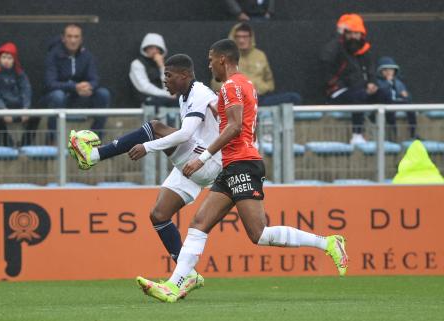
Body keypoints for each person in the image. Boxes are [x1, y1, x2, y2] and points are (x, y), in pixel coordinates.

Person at [136, 39, 349, 303]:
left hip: (241, 164)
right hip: (235, 164)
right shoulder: (247, 85)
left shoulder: (230, 87)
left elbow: (235, 126)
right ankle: (174, 285)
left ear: (222, 60)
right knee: (199, 224)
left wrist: (203, 158)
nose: (209, 64)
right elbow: (249, 128)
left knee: (258, 233)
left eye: (211, 59)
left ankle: (327, 243)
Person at [68, 54, 222, 296]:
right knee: (159, 215)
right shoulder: (186, 95)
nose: (164, 81)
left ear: (184, 76)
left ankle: (93, 156)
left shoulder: (200, 93)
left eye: (169, 76)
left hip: (208, 160)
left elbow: (184, 135)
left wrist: (147, 147)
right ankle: (187, 274)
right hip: (197, 161)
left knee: (155, 128)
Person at [320, 14, 390, 145]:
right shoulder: (335, 48)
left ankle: (379, 129)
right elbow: (326, 63)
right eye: (350, 33)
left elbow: (371, 71)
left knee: (385, 94)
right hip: (337, 92)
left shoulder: (364, 50)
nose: (353, 37)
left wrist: (372, 83)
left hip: (360, 90)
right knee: (359, 95)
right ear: (344, 34)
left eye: (356, 33)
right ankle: (357, 135)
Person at [44, 24, 110, 144]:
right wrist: (74, 87)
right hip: (59, 98)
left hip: (81, 97)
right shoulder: (53, 55)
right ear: (63, 38)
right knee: (57, 95)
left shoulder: (87, 56)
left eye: (76, 36)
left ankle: (93, 138)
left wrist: (89, 86)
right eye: (69, 36)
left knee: (103, 94)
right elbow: (50, 83)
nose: (73, 40)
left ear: (81, 39)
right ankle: (52, 139)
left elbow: (94, 78)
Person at [211, 22, 301, 106]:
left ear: (251, 38)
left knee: (294, 97)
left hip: (259, 98)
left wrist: (258, 86)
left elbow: (270, 83)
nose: (242, 40)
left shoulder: (260, 55)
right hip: (235, 100)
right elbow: (215, 84)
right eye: (238, 37)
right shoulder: (224, 57)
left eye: (245, 37)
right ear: (233, 38)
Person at [0, 42, 39, 146]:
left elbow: (26, 90)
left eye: (9, 58)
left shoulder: (20, 74)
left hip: (19, 108)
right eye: (4, 57)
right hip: (3, 109)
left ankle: (25, 144)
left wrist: (25, 108)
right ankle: (9, 144)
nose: (6, 60)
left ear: (14, 60)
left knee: (36, 116)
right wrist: (3, 110)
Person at [129, 33, 179, 109]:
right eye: (151, 48)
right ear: (145, 48)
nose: (154, 51)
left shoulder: (164, 65)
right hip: (146, 99)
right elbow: (144, 87)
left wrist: (162, 67)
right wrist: (166, 94)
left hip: (164, 99)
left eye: (157, 48)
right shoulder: (137, 64)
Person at [376, 56, 416, 140]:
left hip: (397, 101)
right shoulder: (377, 82)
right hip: (386, 103)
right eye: (385, 70)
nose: (388, 72)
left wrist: (406, 95)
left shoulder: (398, 82)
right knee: (390, 112)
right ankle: (393, 135)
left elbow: (406, 94)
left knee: (411, 108)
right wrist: (388, 82)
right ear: (380, 71)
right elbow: (382, 91)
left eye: (391, 70)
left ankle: (413, 133)